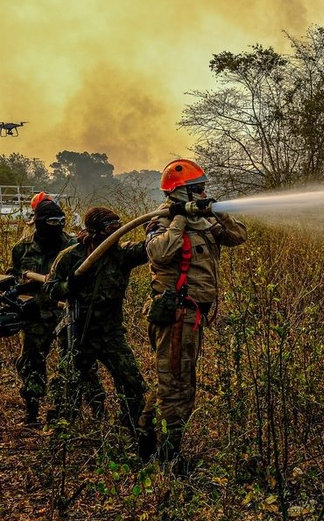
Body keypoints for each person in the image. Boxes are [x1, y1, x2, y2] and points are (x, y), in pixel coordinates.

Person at [140, 159, 246, 468]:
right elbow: (159, 253)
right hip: (176, 316)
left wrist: (213, 211)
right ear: (179, 194)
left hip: (194, 316)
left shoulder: (205, 220)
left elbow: (237, 236)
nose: (203, 193)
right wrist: (179, 220)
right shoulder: (161, 223)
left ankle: (144, 438)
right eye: (197, 189)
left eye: (203, 189)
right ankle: (168, 457)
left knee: (172, 381)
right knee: (177, 389)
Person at [43, 207, 149, 452]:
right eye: (109, 229)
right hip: (79, 332)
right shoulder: (71, 256)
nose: (115, 234)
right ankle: (61, 438)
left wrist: (162, 221)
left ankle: (136, 431)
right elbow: (50, 289)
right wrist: (70, 284)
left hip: (111, 333)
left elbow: (148, 249)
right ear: (93, 231)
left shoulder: (121, 254)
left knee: (131, 380)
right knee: (68, 384)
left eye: (117, 228)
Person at [6, 193, 103, 426]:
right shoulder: (23, 248)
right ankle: (32, 415)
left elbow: (88, 281)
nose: (57, 227)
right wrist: (17, 287)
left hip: (66, 316)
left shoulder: (73, 247)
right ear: (39, 222)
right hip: (34, 317)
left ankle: (93, 415)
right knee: (31, 364)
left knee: (78, 364)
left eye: (60, 221)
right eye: (51, 222)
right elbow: (13, 276)